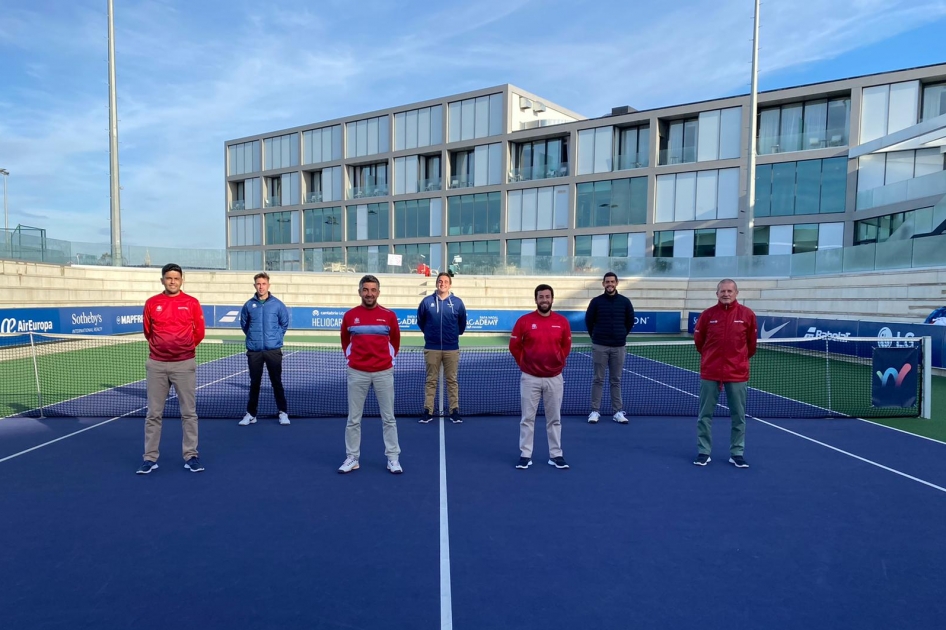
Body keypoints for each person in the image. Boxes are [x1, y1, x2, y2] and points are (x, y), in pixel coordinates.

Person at [137, 263, 206, 475]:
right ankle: (150, 458)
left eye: (176, 278)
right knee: (153, 414)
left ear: (182, 280)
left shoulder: (191, 302)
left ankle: (191, 456)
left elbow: (199, 332)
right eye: (169, 278)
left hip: (184, 364)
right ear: (162, 280)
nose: (173, 281)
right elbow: (148, 331)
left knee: (188, 413)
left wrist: (182, 348)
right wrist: (163, 348)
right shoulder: (152, 303)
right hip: (156, 364)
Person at [338, 275, 403, 474]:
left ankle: (393, 458)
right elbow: (345, 341)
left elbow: (395, 342)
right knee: (354, 419)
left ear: (378, 292)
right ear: (360, 292)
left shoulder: (389, 315)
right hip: (357, 373)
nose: (369, 294)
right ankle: (352, 457)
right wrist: (352, 361)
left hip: (383, 372)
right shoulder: (350, 316)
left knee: (389, 418)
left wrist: (387, 362)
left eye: (373, 290)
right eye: (365, 290)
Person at [692, 279, 757, 469]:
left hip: (737, 374)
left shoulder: (747, 315)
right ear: (717, 293)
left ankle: (737, 453)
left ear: (736, 293)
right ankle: (704, 452)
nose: (726, 294)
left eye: (729, 291)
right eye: (722, 291)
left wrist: (738, 360)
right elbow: (699, 342)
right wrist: (711, 358)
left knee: (739, 416)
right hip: (710, 372)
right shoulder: (707, 315)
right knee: (704, 415)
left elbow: (751, 345)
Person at [509, 284, 572, 470]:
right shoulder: (524, 321)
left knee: (554, 419)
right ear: (535, 299)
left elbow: (566, 347)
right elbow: (514, 347)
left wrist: (557, 362)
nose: (544, 300)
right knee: (527, 419)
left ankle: (556, 455)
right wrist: (524, 365)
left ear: (552, 299)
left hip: (555, 378)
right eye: (541, 297)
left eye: (547, 296)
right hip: (530, 378)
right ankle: (525, 454)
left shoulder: (562, 322)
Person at [238, 272, 291, 426]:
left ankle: (283, 412)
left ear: (268, 285)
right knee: (254, 383)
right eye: (258, 284)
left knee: (276, 382)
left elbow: (284, 323)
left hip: (273, 350)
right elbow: (244, 324)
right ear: (255, 285)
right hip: (254, 351)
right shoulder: (249, 305)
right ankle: (251, 414)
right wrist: (254, 338)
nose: (261, 286)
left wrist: (276, 337)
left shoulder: (277, 304)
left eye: (263, 284)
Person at [584, 271, 635, 424]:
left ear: (616, 283)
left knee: (616, 380)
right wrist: (596, 337)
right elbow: (589, 321)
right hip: (600, 345)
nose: (610, 284)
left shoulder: (625, 302)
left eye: (612, 281)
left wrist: (621, 335)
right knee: (598, 379)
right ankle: (595, 411)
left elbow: (630, 321)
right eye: (607, 282)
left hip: (618, 347)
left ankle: (618, 412)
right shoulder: (596, 302)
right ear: (603, 284)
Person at [417, 272, 467, 424]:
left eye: (445, 281)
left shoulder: (457, 303)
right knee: (431, 380)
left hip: (451, 348)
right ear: (436, 283)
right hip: (432, 348)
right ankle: (428, 411)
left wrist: (452, 336)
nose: (443, 283)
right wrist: (430, 335)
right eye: (440, 281)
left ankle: (454, 411)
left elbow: (462, 324)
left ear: (449, 284)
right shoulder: (426, 302)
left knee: (452, 380)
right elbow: (421, 321)